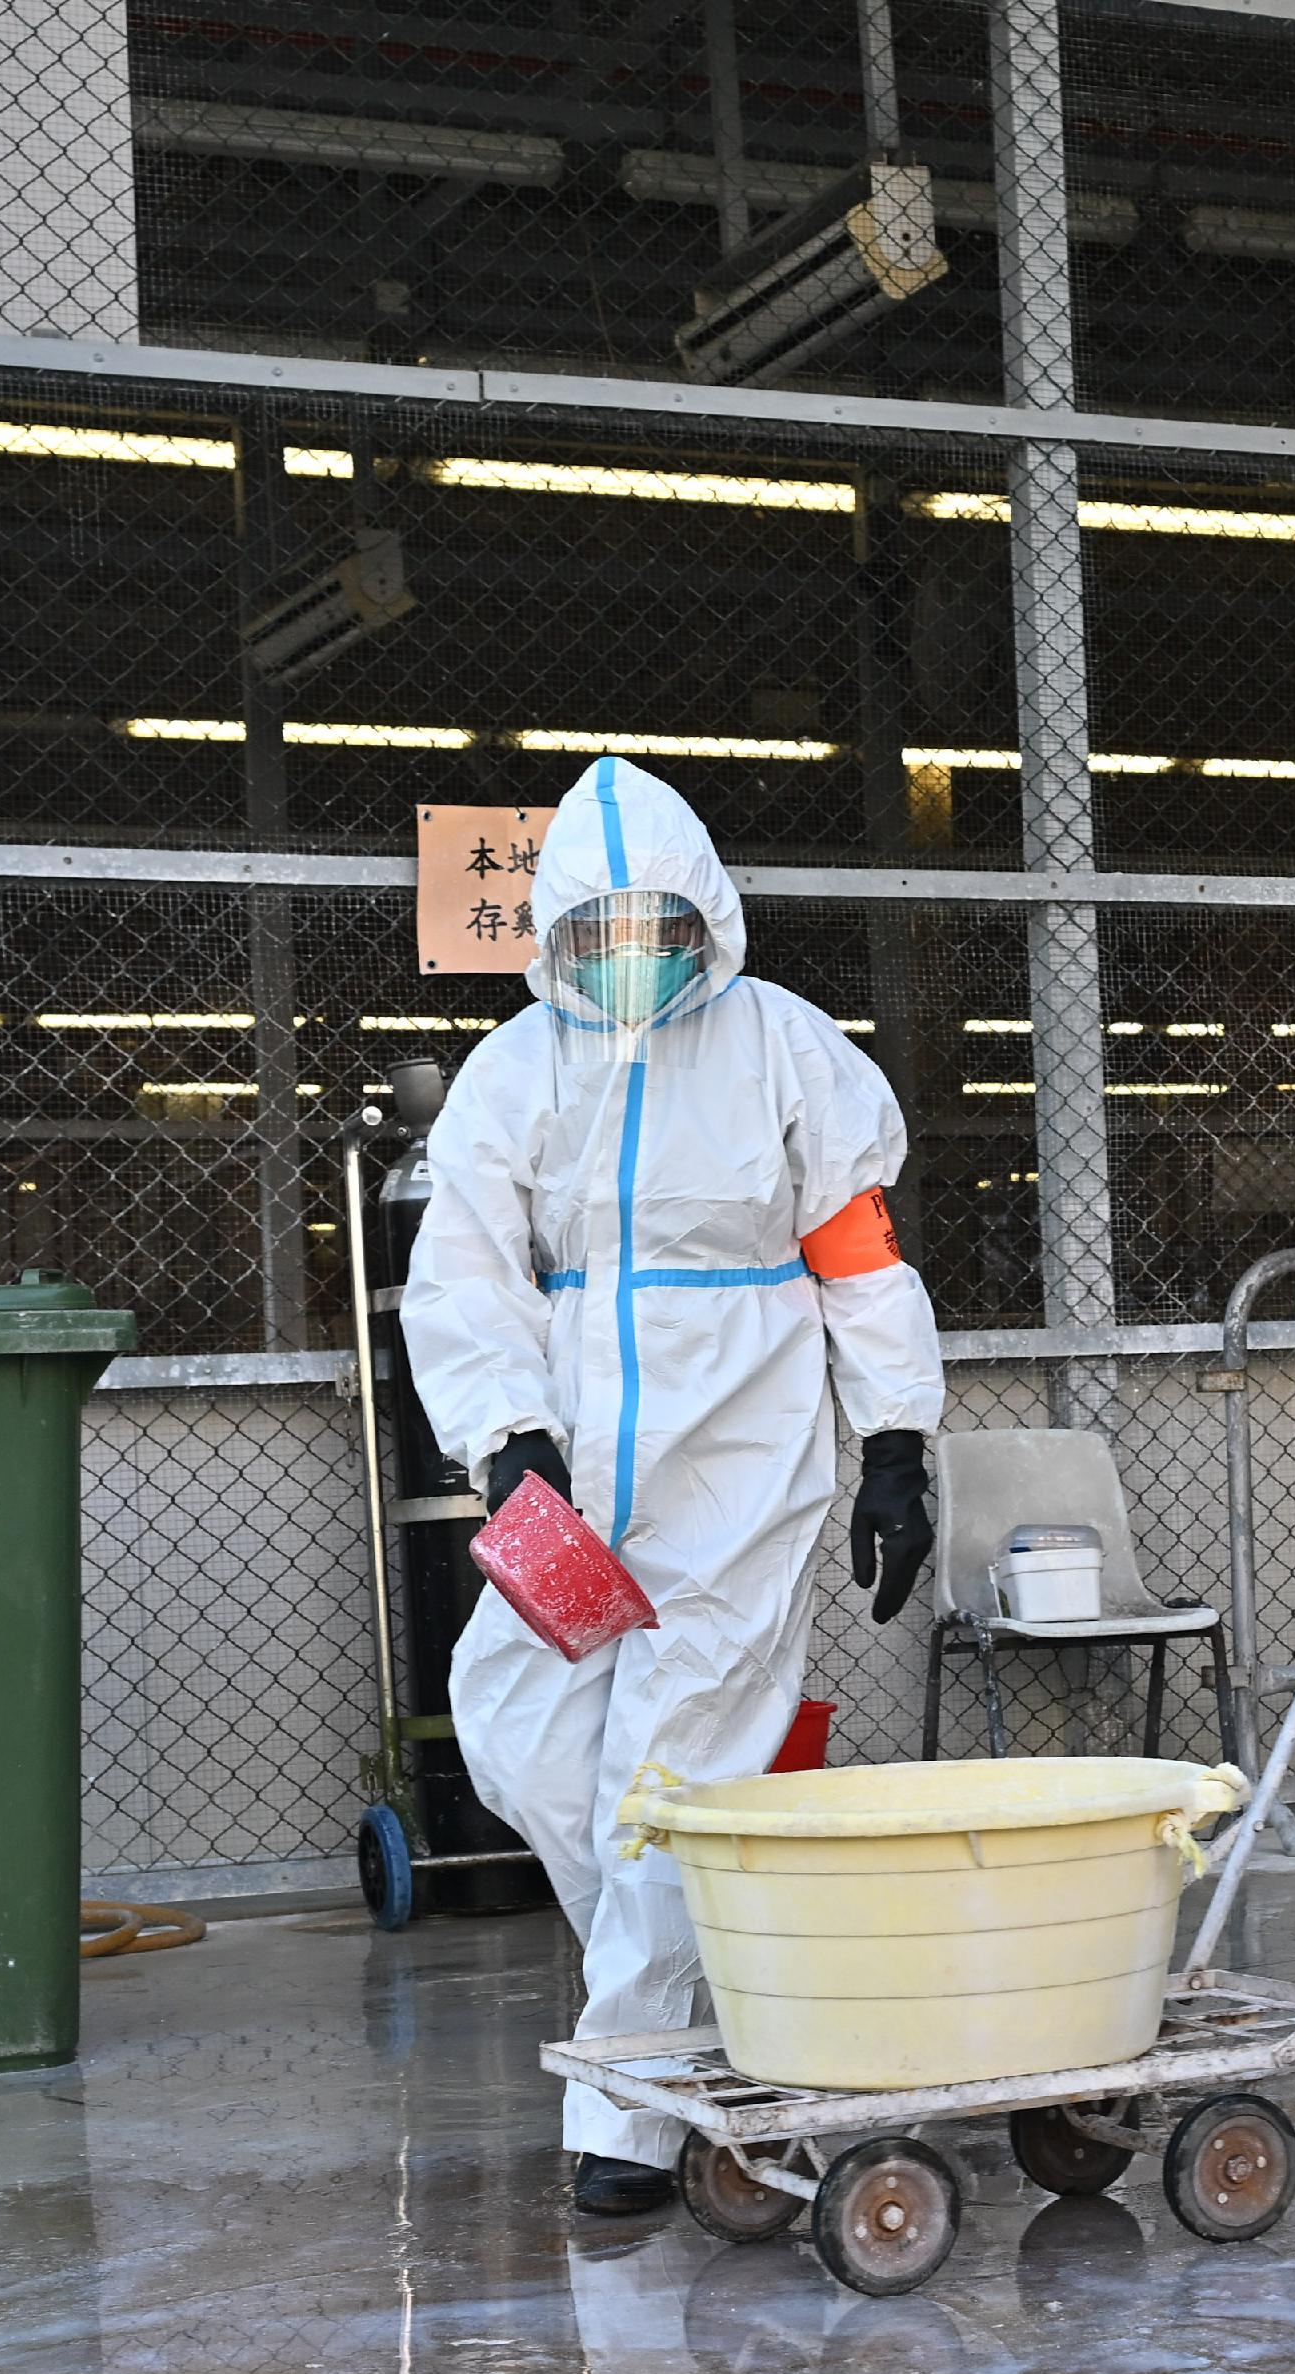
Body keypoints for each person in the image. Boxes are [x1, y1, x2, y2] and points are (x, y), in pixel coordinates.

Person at [400, 756, 944, 2218]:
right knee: (518, 1727)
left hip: (744, 1447)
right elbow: (458, 1274)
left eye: (660, 926)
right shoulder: (517, 1071)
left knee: (670, 1761)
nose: (632, 958)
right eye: (600, 930)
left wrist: (895, 1440)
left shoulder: (787, 1048)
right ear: (556, 933)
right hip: (569, 1459)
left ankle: (626, 2114)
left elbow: (859, 1259)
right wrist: (506, 1436)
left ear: (710, 917)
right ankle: (698, 1999)